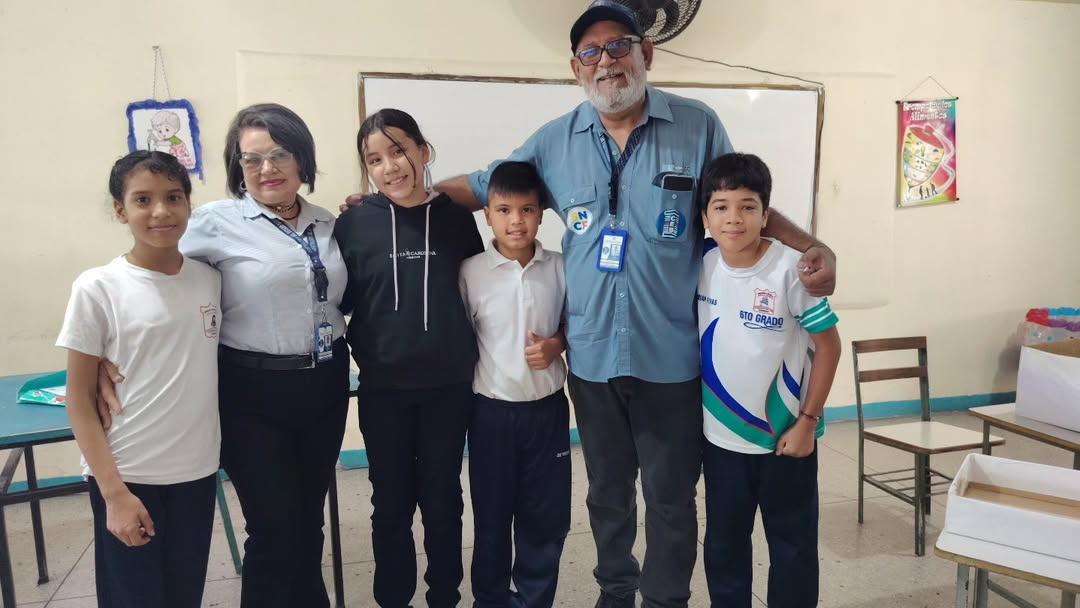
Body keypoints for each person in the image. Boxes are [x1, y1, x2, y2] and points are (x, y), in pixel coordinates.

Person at [429, 2, 838, 606]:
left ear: (646, 52)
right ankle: (616, 593)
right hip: (592, 358)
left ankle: (664, 599)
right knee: (608, 495)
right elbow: (483, 187)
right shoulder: (555, 141)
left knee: (671, 498)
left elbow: (740, 201)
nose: (607, 61)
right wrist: (400, 197)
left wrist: (812, 246)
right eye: (591, 52)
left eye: (619, 45)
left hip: (671, 358)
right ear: (576, 67)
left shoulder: (696, 125)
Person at [99, 103, 351, 608]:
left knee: (308, 523)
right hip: (251, 394)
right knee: (274, 529)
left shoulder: (328, 222)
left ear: (302, 158)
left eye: (279, 154)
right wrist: (104, 347)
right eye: (250, 159)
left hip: (324, 385)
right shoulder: (215, 223)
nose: (266, 168)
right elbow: (146, 270)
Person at [57, 150, 221, 607]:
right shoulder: (98, 287)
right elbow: (78, 399)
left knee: (184, 595)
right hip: (129, 474)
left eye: (173, 197)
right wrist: (113, 493)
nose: (161, 211)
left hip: (196, 472)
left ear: (189, 203)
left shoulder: (210, 280)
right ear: (120, 209)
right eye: (143, 199)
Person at [334, 108, 484, 608]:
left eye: (397, 151)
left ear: (422, 151)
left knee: (443, 500)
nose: (389, 166)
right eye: (374, 159)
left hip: (449, 387)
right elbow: (340, 301)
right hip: (383, 390)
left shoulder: (457, 220)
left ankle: (445, 595)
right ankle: (392, 598)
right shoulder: (353, 224)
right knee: (390, 504)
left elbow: (477, 292)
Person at [696, 152, 840, 608]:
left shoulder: (791, 271)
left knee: (792, 549)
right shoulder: (702, 262)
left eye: (747, 206)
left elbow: (829, 348)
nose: (733, 218)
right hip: (721, 442)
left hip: (785, 441)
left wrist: (807, 423)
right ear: (705, 217)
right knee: (724, 547)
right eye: (721, 207)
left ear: (766, 215)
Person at [459, 161, 571, 608]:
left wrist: (556, 345)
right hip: (490, 414)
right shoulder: (470, 272)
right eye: (504, 210)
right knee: (491, 519)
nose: (516, 221)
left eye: (527, 210)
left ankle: (533, 600)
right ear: (487, 215)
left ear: (541, 213)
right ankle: (490, 600)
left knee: (544, 519)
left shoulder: (560, 267)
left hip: (547, 411)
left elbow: (575, 325)